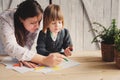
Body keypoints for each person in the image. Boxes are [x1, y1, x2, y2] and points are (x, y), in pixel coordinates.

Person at [0, 0, 64, 68]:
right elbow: (11, 47)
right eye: (32, 23)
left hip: (14, 59)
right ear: (21, 19)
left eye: (39, 21)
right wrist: (43, 60)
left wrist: (23, 57)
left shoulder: (35, 20)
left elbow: (27, 44)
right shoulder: (5, 19)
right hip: (2, 57)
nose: (37, 26)